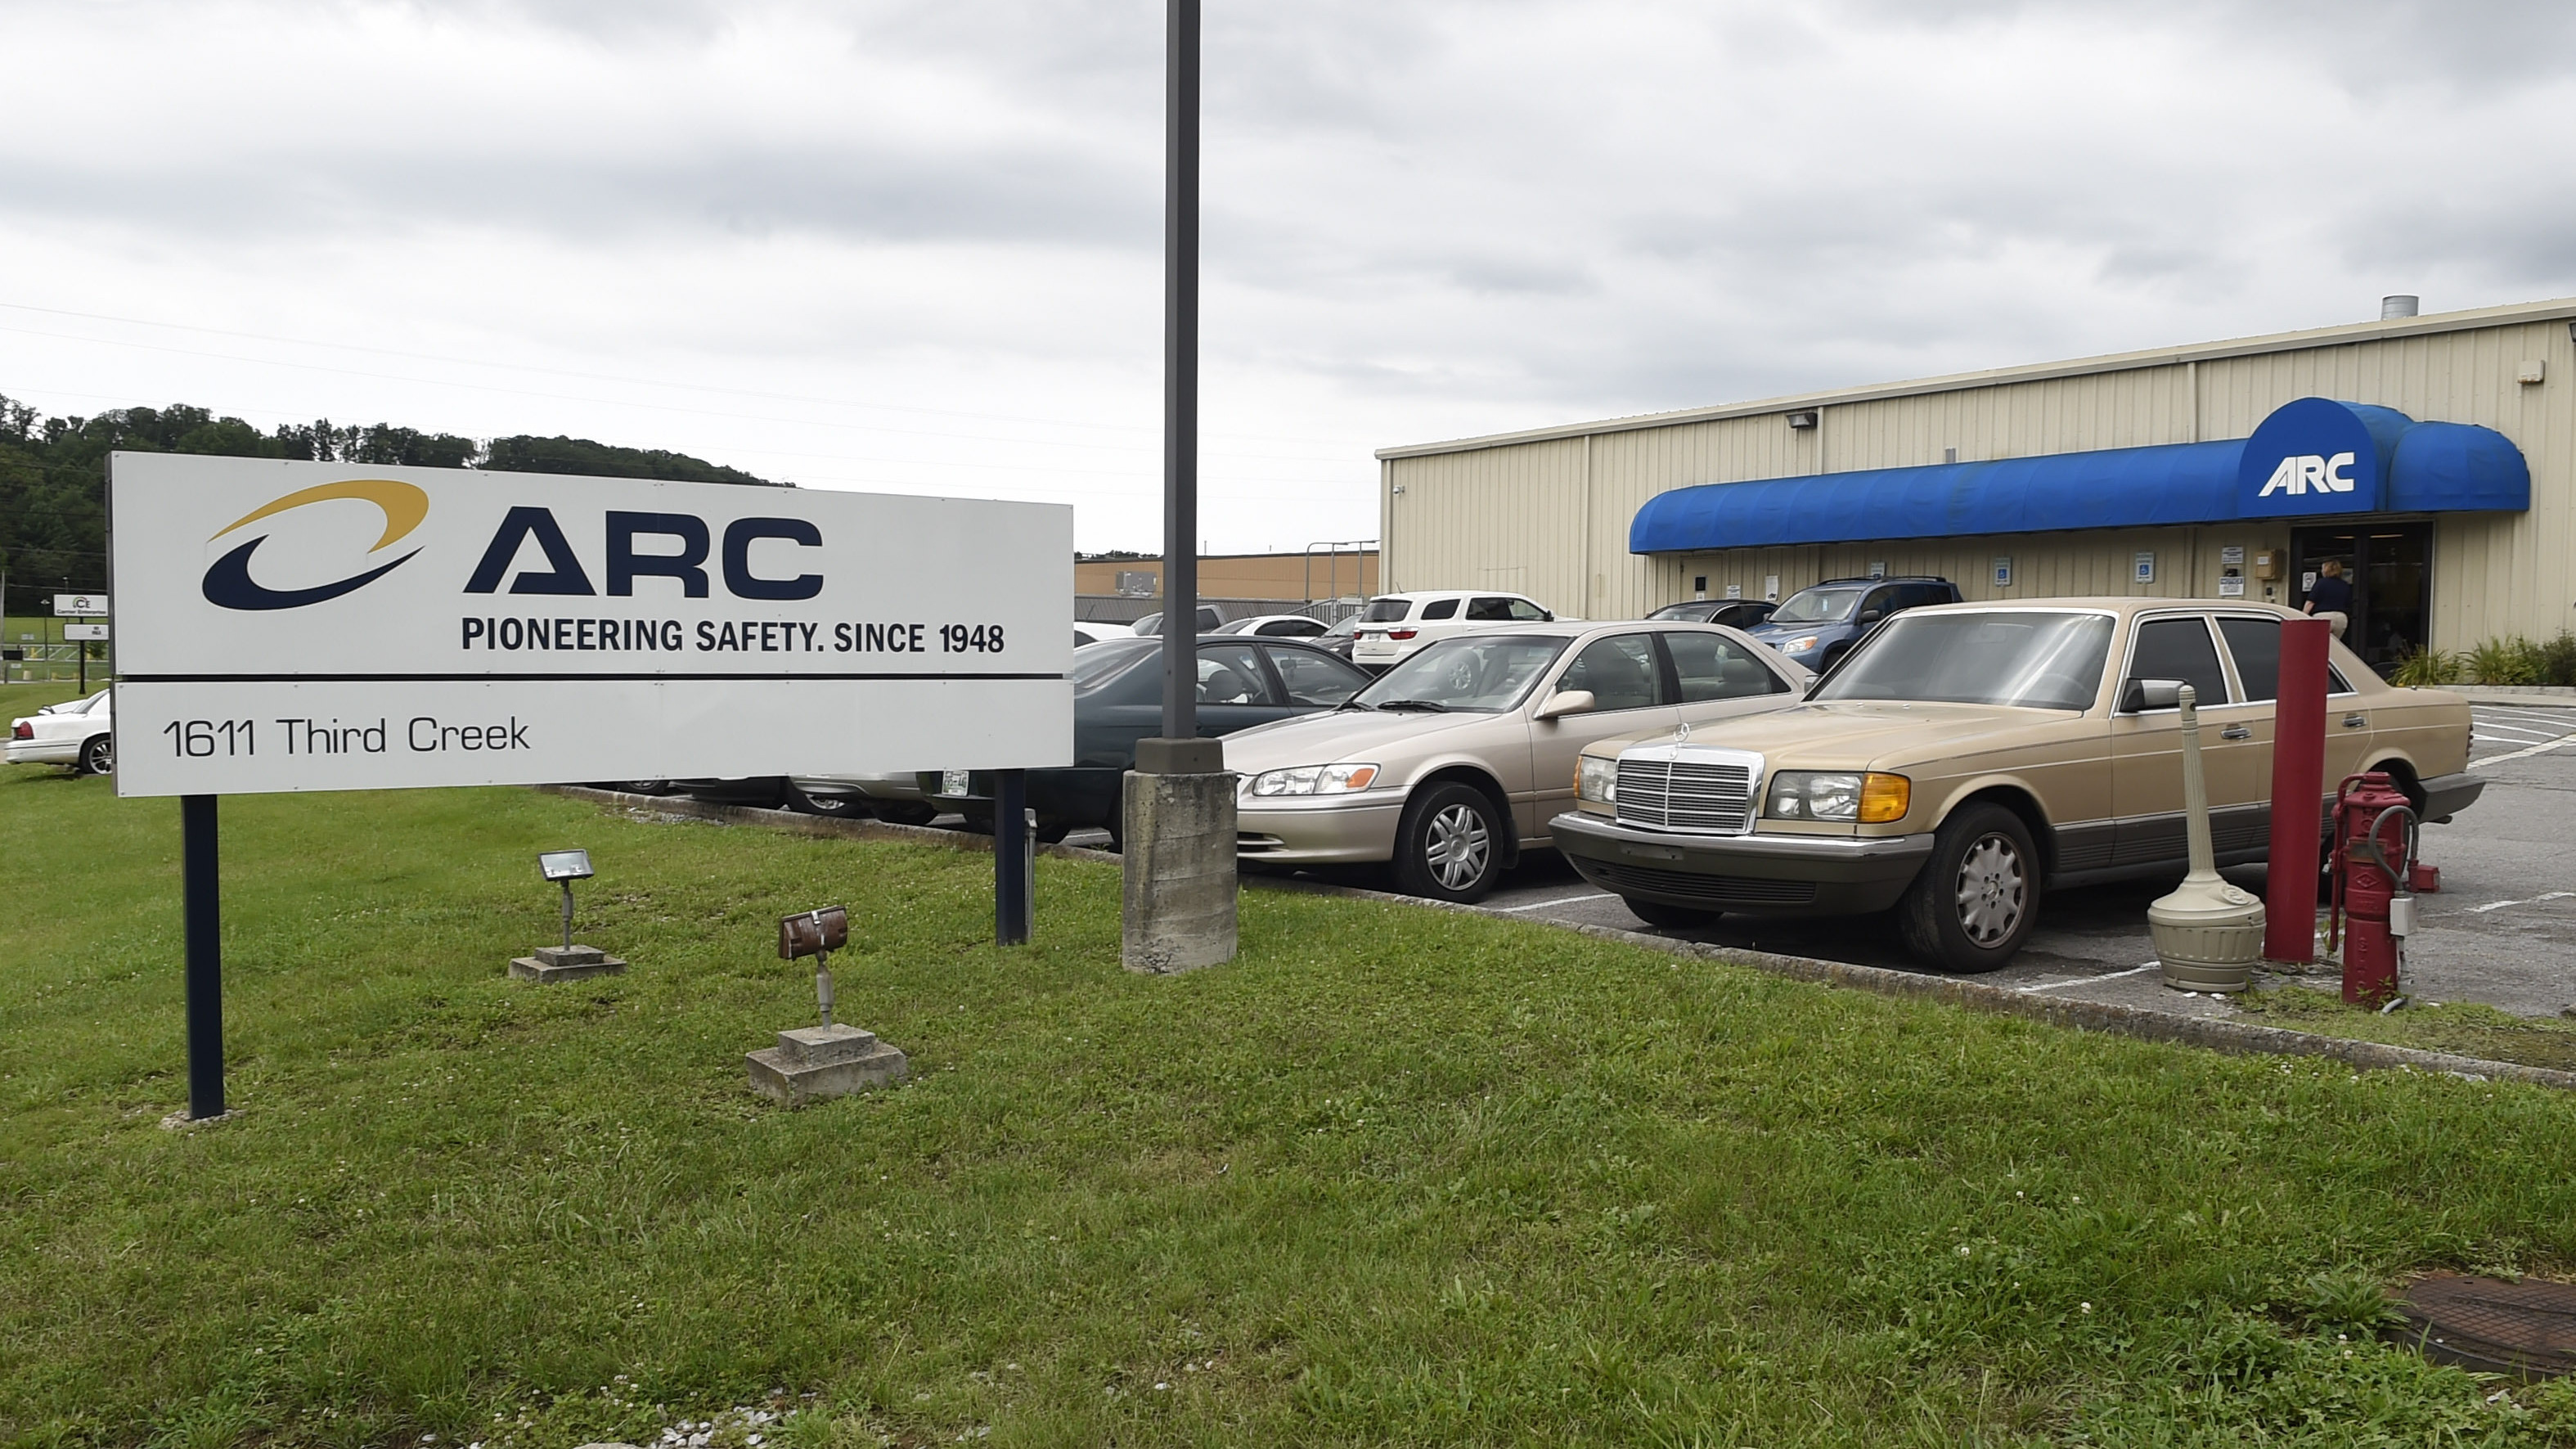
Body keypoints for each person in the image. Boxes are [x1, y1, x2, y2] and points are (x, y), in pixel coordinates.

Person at [2304, 557, 2354, 639]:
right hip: (2341, 618)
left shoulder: (2321, 583)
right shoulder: (2345, 585)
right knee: (2334, 643)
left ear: (2326, 570)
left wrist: (2303, 617)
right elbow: (2348, 603)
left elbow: (2310, 603)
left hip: (2323, 617)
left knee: (2319, 642)